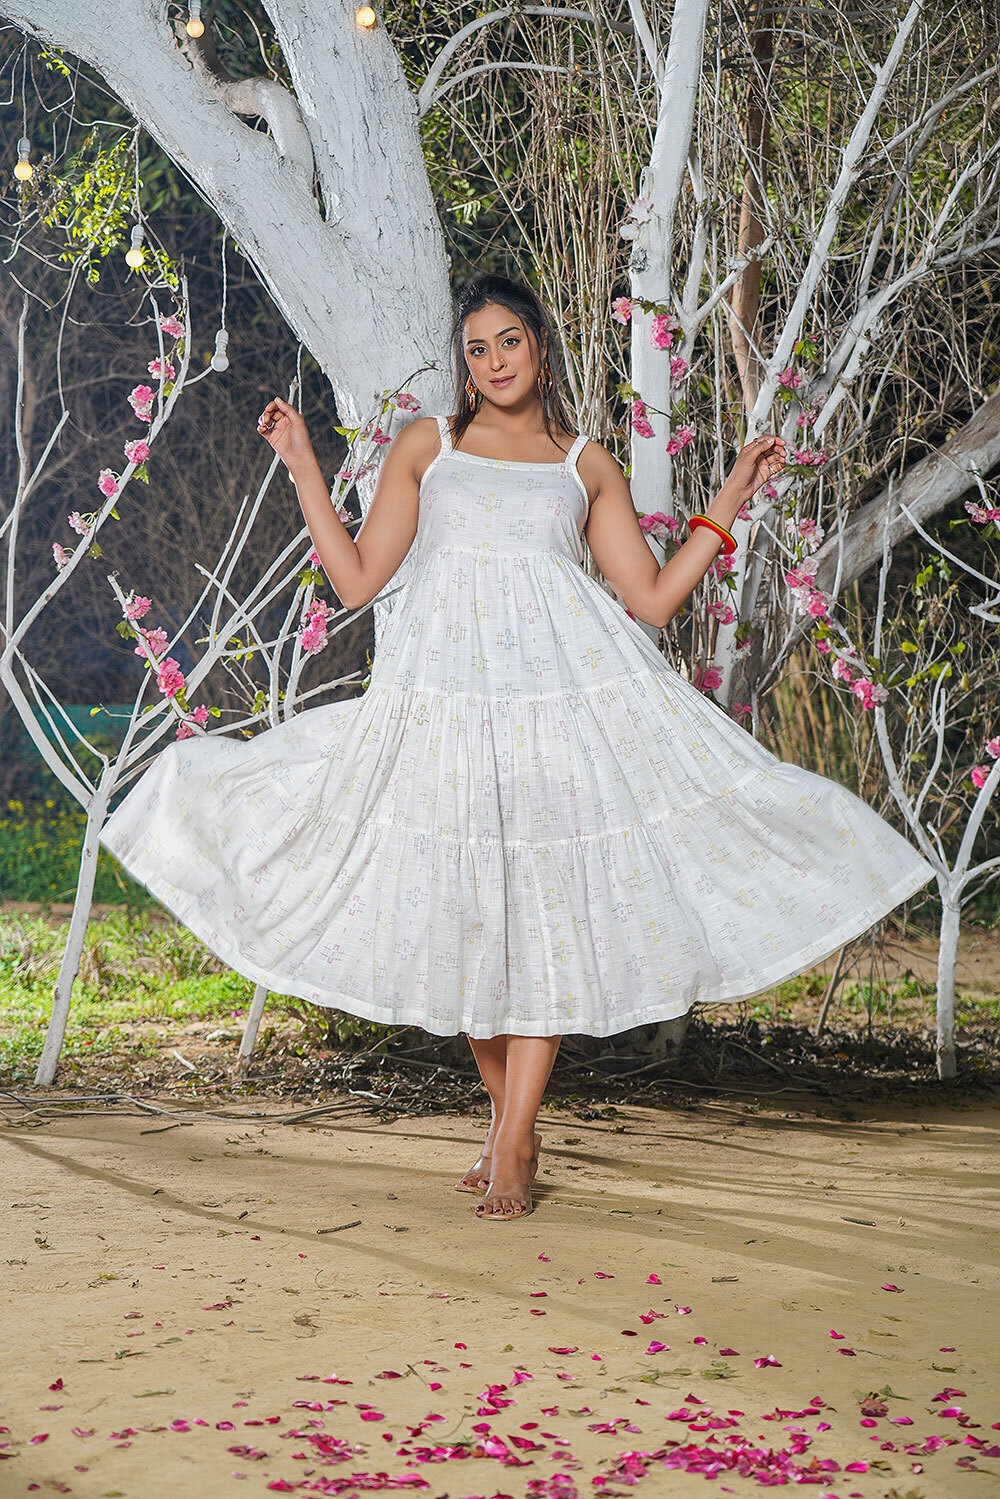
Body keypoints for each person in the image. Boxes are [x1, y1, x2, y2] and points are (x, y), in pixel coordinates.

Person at [101, 274, 935, 1223]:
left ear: (539, 345)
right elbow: (358, 581)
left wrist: (732, 498)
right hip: (444, 717)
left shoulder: (586, 464)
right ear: (465, 366)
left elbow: (653, 599)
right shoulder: (430, 447)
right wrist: (301, 465)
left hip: (555, 716)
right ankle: (512, 1127)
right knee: (467, 920)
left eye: (509, 341)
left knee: (540, 916)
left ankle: (513, 1141)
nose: (494, 361)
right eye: (476, 348)